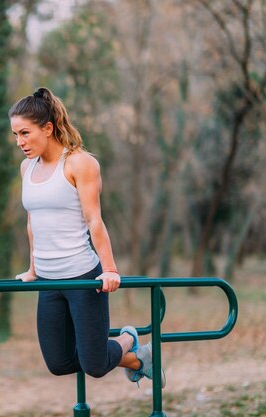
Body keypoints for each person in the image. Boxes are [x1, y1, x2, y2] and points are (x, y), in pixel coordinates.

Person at [9, 87, 165, 387]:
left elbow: (94, 220)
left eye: (25, 133)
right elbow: (33, 221)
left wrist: (109, 269)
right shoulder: (26, 167)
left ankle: (127, 339)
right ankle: (136, 358)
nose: (20, 142)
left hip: (83, 278)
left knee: (93, 364)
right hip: (48, 281)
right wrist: (32, 270)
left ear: (48, 128)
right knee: (59, 363)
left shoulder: (80, 164)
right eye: (16, 134)